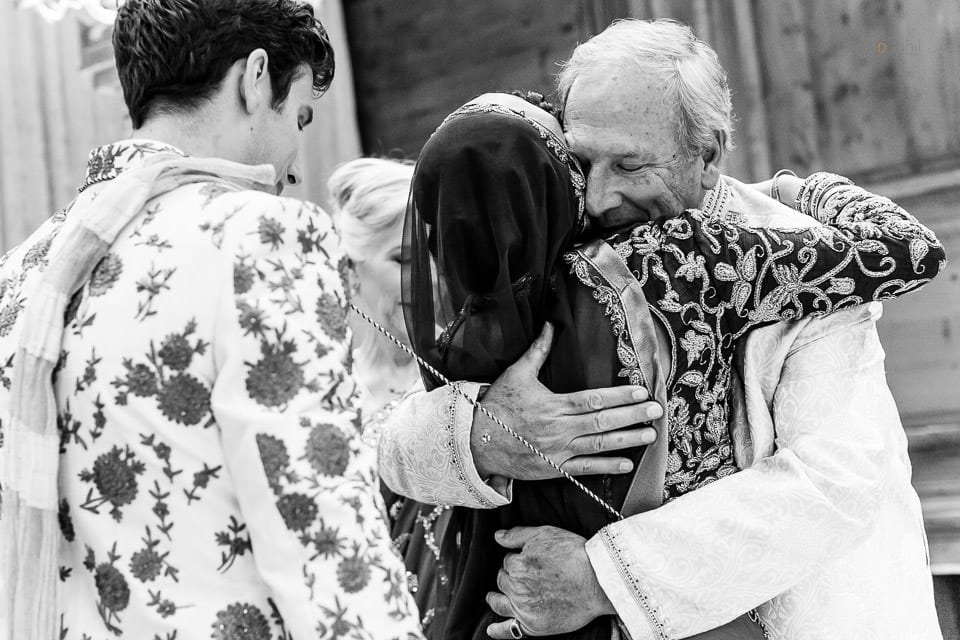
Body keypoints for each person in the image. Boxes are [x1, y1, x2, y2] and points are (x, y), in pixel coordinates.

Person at [379, 21, 946, 640]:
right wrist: (483, 434)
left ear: (708, 155)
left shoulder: (798, 251)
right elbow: (397, 446)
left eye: (629, 165)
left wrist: (599, 580)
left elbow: (836, 483)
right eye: (583, 160)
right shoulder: (558, 237)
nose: (598, 197)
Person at [0, 2, 422, 639]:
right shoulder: (260, 235)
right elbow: (326, 543)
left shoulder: (20, 275)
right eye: (300, 117)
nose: (295, 165)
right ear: (256, 78)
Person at [327, 157, 449, 633]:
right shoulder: (330, 392)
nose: (429, 278)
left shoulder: (471, 369)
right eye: (402, 260)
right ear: (350, 270)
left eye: (436, 256)